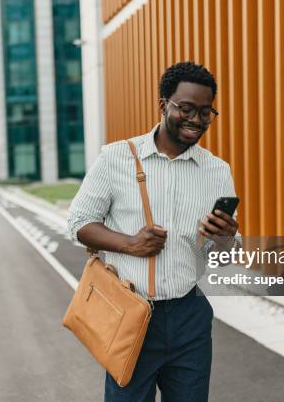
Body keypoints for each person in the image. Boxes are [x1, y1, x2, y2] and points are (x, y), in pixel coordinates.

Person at [68, 61, 239, 402]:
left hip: (189, 315)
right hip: (130, 313)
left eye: (206, 113)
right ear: (164, 105)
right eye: (186, 108)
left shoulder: (217, 171)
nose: (196, 120)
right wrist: (129, 243)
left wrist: (225, 237)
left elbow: (221, 258)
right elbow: (78, 224)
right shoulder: (116, 158)